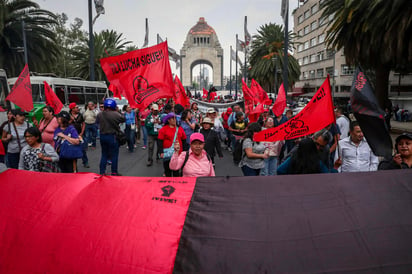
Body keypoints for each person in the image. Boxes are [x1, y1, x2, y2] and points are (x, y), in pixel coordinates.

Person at [97, 98, 125, 175]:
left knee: (104, 154)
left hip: (102, 136)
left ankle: (102, 172)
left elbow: (97, 122)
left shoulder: (100, 114)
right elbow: (123, 119)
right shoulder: (116, 114)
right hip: (112, 136)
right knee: (114, 155)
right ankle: (114, 172)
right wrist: (118, 110)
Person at [158, 113, 187, 177]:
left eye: (175, 118)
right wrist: (161, 152)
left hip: (178, 153)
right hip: (167, 153)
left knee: (176, 171)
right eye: (173, 118)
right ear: (168, 120)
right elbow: (160, 141)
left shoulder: (180, 128)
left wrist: (185, 152)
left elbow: (184, 140)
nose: (174, 120)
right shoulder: (163, 129)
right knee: (167, 170)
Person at [69, 102, 88, 168]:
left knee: (83, 149)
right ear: (72, 109)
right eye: (76, 108)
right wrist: (70, 121)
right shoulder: (69, 116)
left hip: (80, 134)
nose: (78, 109)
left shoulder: (80, 115)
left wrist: (82, 132)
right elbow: (65, 125)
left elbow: (83, 124)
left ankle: (85, 162)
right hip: (71, 135)